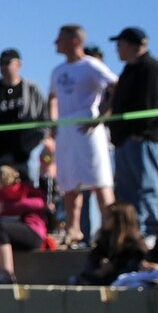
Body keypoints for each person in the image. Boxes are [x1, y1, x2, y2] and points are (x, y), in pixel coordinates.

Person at [46, 26, 117, 245]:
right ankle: (73, 228)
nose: (56, 43)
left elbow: (116, 86)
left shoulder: (91, 65)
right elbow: (53, 97)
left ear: (75, 41)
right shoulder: (58, 70)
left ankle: (111, 227)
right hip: (66, 128)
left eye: (60, 39)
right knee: (68, 182)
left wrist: (100, 117)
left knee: (100, 180)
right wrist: (53, 120)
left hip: (88, 126)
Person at [107, 27, 158, 238]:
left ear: (133, 46)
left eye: (120, 44)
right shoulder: (127, 70)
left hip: (143, 139)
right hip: (124, 140)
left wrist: (140, 132)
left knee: (148, 186)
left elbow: (154, 104)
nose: (117, 50)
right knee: (127, 190)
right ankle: (133, 231)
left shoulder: (151, 68)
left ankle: (153, 230)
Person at [0, 164, 52, 285]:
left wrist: (8, 207)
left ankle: (7, 274)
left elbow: (40, 203)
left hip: (32, 233)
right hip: (4, 235)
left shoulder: (29, 191)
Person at [0, 49, 48, 188]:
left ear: (18, 65)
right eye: (0, 64)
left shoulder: (32, 89)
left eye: (7, 63)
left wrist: (31, 145)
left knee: (27, 189)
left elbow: (44, 120)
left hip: (25, 151)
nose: (3, 67)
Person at [72, 203, 148, 286]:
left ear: (119, 220)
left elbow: (135, 262)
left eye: (108, 217)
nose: (103, 219)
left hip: (122, 276)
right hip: (104, 273)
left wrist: (113, 266)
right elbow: (95, 254)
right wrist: (101, 261)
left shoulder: (133, 242)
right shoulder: (105, 238)